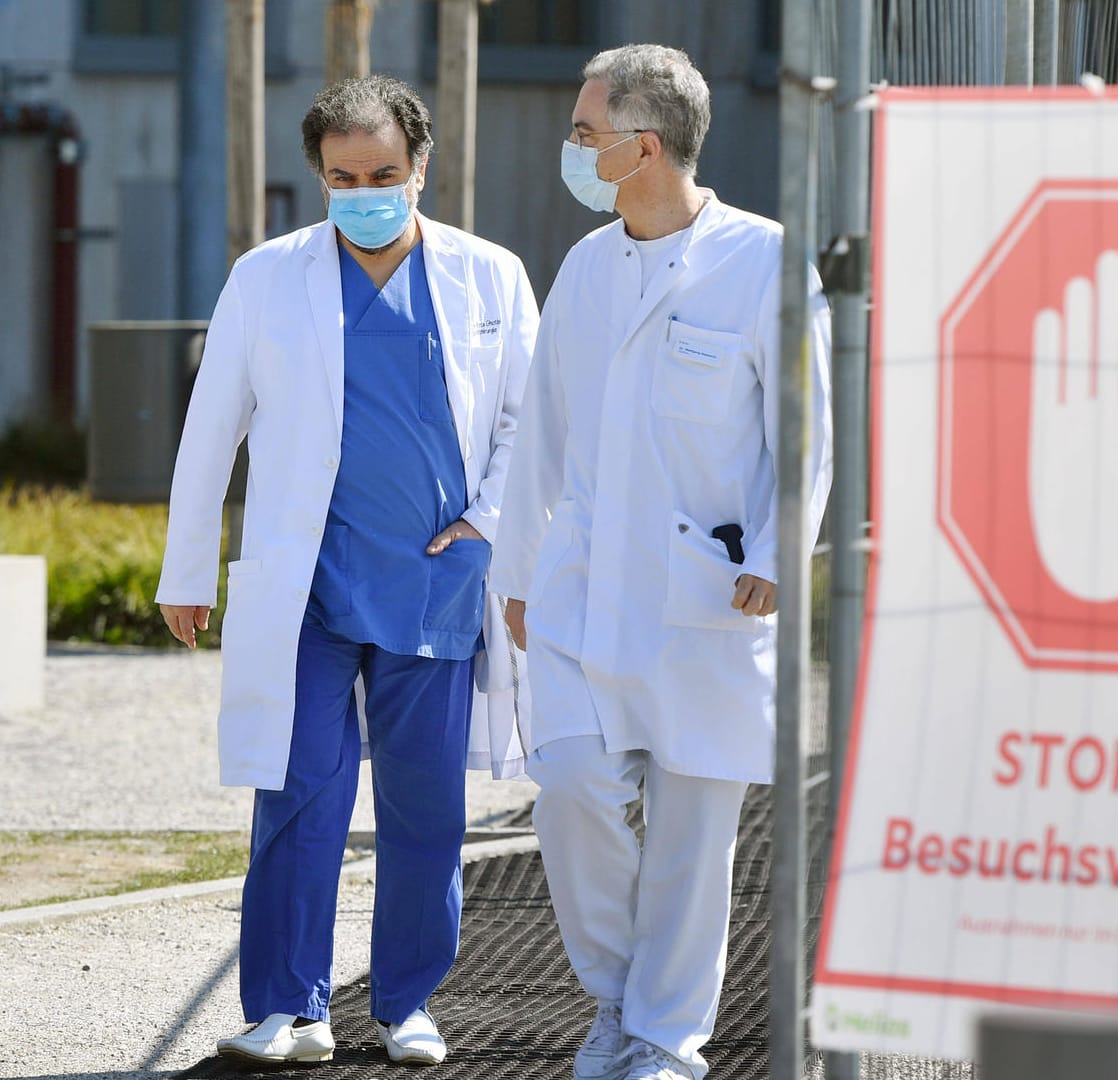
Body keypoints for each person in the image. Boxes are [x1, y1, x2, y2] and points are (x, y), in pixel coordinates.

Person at [156, 74, 538, 1066]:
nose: (362, 190)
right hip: (311, 587)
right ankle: (288, 1006)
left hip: (435, 582)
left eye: (381, 173)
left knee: (425, 809)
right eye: (341, 175)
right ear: (318, 177)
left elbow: (530, 425)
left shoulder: (490, 276)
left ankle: (404, 1004)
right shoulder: (266, 276)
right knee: (298, 795)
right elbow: (211, 432)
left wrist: (491, 523)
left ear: (420, 169)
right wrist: (184, 569)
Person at [489, 43, 833, 1080]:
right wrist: (516, 568)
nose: (573, 149)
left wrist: (781, 551)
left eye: (585, 132)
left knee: (694, 839)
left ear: (643, 147)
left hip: (710, 599)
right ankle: (614, 999)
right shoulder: (586, 267)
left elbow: (809, 431)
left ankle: (660, 1041)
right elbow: (539, 431)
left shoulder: (766, 261)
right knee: (571, 787)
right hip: (583, 591)